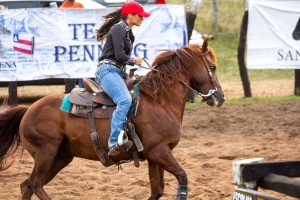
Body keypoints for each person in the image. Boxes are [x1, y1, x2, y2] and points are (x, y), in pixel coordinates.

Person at [95, 2, 150, 156]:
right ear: (130, 15)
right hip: (107, 71)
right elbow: (120, 56)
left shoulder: (128, 32)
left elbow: (119, 58)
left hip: (117, 72)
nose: (142, 19)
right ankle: (113, 142)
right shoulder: (119, 28)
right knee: (125, 100)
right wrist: (135, 61)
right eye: (140, 16)